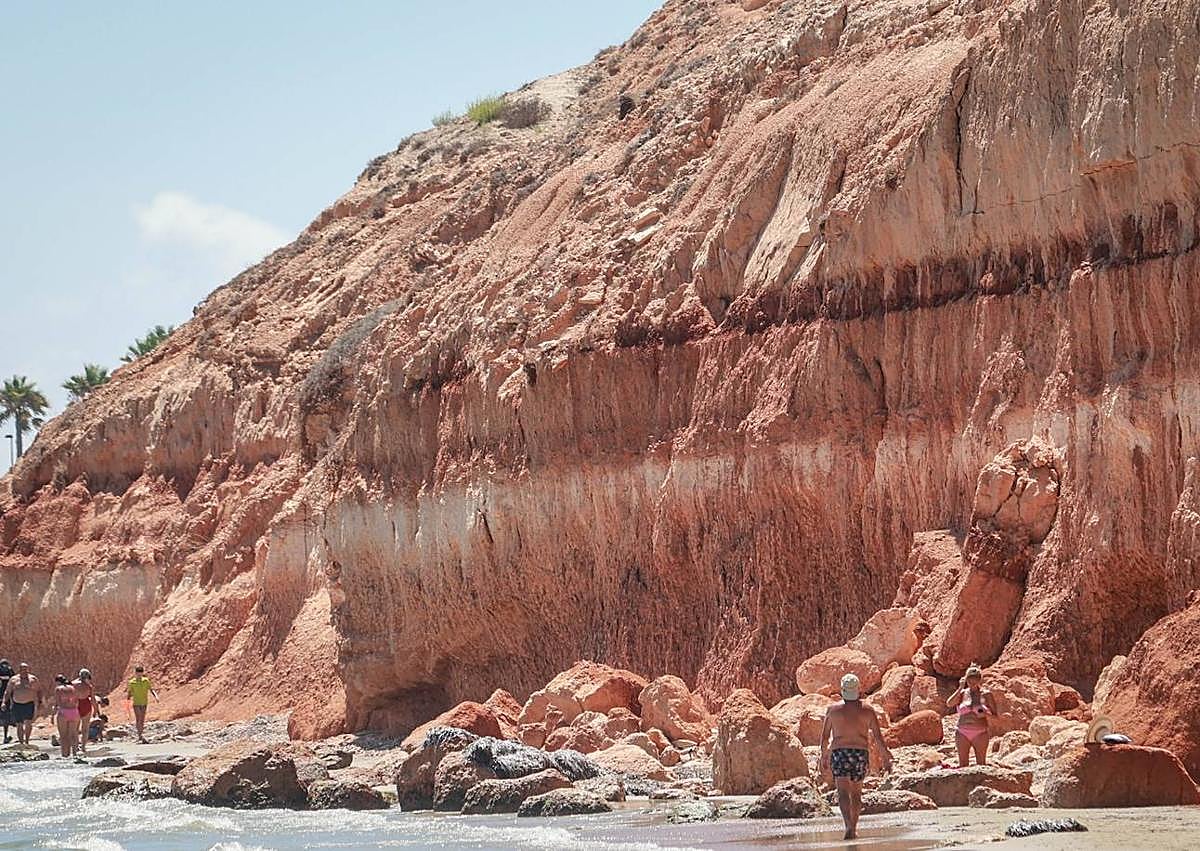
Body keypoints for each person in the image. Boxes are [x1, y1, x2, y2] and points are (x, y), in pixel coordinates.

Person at [819, 673, 893, 840]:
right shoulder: (867, 710)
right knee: (857, 794)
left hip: (840, 753)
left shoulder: (832, 710)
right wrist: (886, 757)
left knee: (843, 792)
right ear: (858, 689)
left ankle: (847, 826)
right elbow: (878, 737)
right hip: (859, 753)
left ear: (842, 690)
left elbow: (824, 737)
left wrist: (822, 757)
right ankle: (854, 827)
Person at [947, 662, 997, 766]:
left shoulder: (986, 694)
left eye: (975, 681)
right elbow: (949, 703)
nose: (972, 683)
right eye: (969, 681)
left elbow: (996, 717)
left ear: (979, 680)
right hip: (962, 732)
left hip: (980, 732)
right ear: (966, 680)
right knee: (963, 765)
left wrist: (985, 714)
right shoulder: (963, 693)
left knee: (981, 764)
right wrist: (960, 688)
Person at [2, 662, 40, 746]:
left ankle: (27, 741)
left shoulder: (33, 679)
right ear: (19, 670)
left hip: (29, 704)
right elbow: (7, 692)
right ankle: (21, 742)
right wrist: (4, 702)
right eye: (22, 669)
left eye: (25, 669)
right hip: (17, 704)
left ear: (28, 669)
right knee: (19, 724)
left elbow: (39, 691)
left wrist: (40, 702)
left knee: (28, 723)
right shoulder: (14, 679)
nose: (24, 671)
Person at [51, 674, 79, 758]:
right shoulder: (73, 688)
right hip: (74, 711)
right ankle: (74, 753)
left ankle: (65, 755)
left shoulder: (58, 689)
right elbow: (76, 701)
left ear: (58, 682)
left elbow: (57, 703)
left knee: (63, 736)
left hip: (64, 711)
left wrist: (53, 715)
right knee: (73, 734)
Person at [127, 666, 157, 743]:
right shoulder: (132, 682)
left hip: (144, 702)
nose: (139, 675)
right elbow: (129, 692)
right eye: (138, 673)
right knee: (138, 718)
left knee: (142, 719)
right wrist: (128, 699)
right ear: (136, 673)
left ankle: (141, 733)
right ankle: (139, 735)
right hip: (136, 703)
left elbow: (151, 689)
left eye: (141, 673)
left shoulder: (146, 681)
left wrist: (156, 697)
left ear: (142, 673)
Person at [72, 669, 97, 755]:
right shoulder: (89, 686)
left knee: (75, 729)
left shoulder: (73, 684)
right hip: (86, 705)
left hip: (76, 705)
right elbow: (93, 699)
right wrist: (96, 710)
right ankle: (83, 747)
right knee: (85, 728)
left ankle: (75, 748)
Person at [0, 659, 13, 743]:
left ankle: (5, 737)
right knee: (5, 717)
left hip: (4, 697)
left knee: (5, 717)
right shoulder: (10, 671)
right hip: (6, 698)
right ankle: (5, 737)